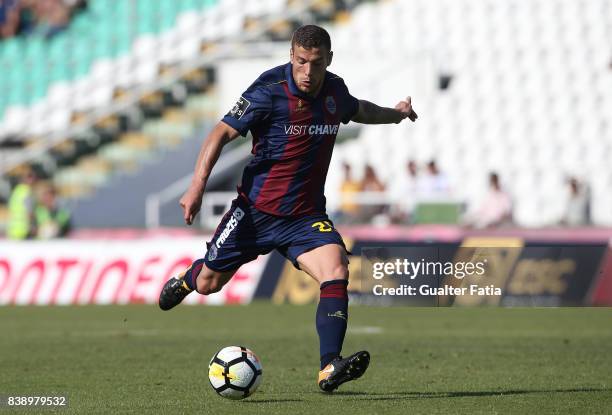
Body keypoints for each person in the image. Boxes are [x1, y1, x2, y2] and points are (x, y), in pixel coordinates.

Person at [158, 25, 417, 393]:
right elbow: (220, 133)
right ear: (290, 56)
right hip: (255, 213)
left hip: (305, 216)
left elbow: (359, 110)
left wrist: (396, 114)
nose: (307, 72)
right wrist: (197, 185)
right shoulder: (267, 91)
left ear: (328, 59)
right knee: (208, 284)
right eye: (300, 62)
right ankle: (187, 279)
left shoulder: (334, 91)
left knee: (337, 268)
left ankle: (329, 366)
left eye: (316, 63)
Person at [6, 168, 38, 239]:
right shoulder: (27, 192)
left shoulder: (16, 191)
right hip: (25, 229)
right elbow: (29, 212)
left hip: (13, 228)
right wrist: (33, 226)